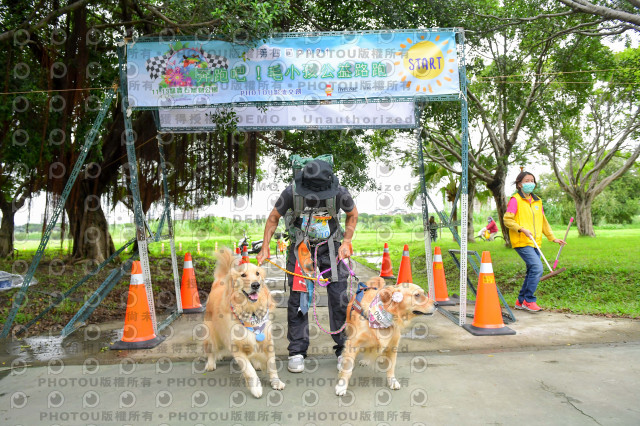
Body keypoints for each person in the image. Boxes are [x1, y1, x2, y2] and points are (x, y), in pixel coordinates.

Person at [257, 159, 358, 373]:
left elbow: (352, 215)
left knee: (339, 297)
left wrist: (347, 241)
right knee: (298, 300)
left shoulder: (340, 192)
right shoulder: (290, 193)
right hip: (301, 249)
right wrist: (265, 246)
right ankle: (296, 351)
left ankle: (343, 349)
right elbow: (274, 218)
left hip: (331, 247)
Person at [503, 171, 566, 312]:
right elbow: (507, 219)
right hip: (522, 241)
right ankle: (529, 300)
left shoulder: (538, 201)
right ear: (520, 184)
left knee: (532, 269)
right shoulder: (515, 200)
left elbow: (543, 222)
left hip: (535, 242)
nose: (530, 183)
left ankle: (520, 301)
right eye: (527, 180)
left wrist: (552, 238)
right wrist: (521, 229)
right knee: (537, 268)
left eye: (532, 180)